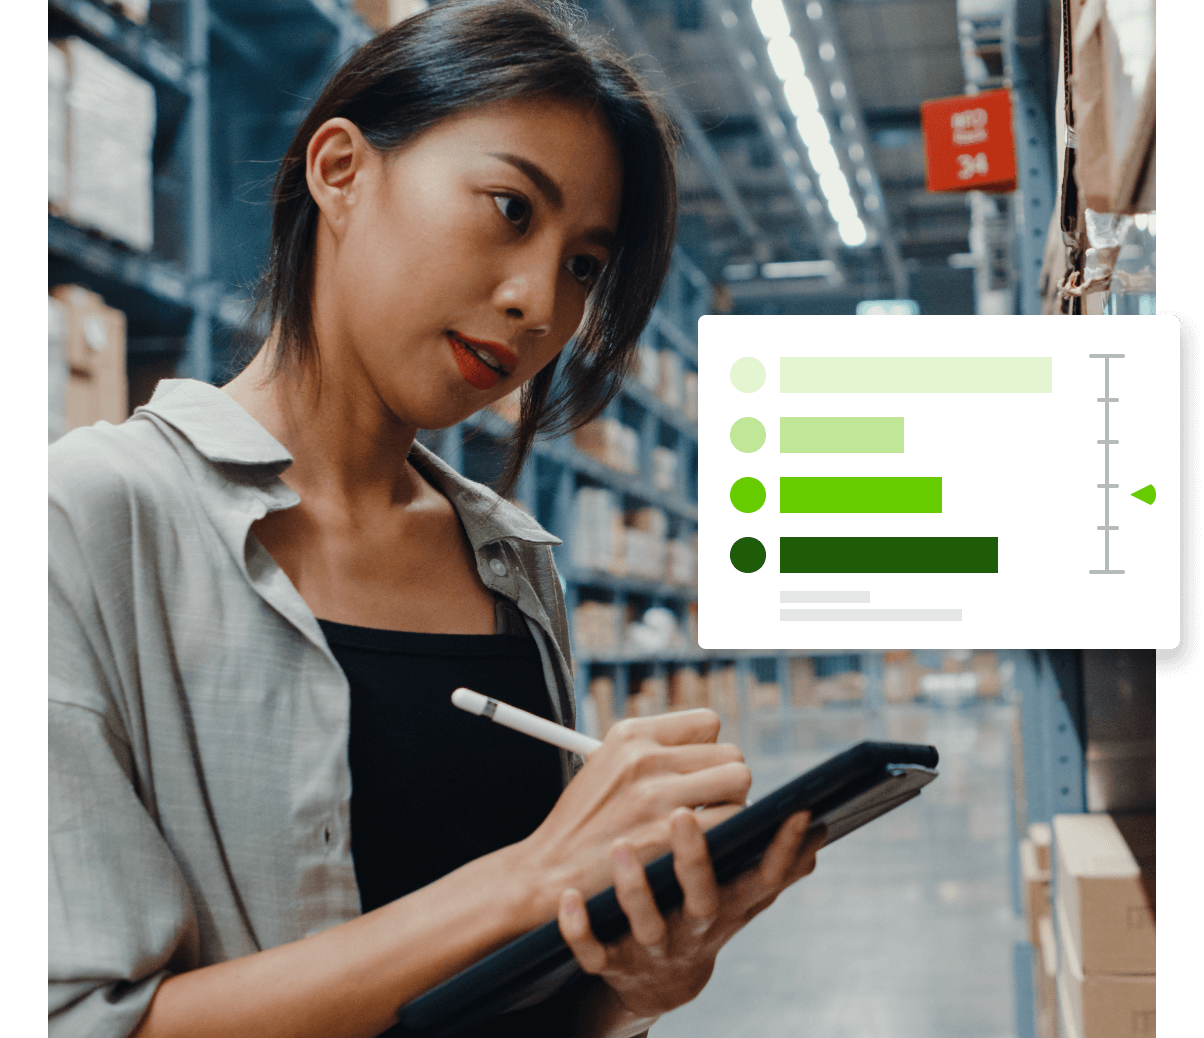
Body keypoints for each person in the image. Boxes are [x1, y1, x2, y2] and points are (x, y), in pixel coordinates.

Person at [47, 2, 824, 1035]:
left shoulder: (510, 559)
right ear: (339, 172)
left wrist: (630, 981)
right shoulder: (94, 522)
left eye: (584, 264)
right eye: (509, 208)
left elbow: (529, 983)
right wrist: (527, 878)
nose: (539, 301)